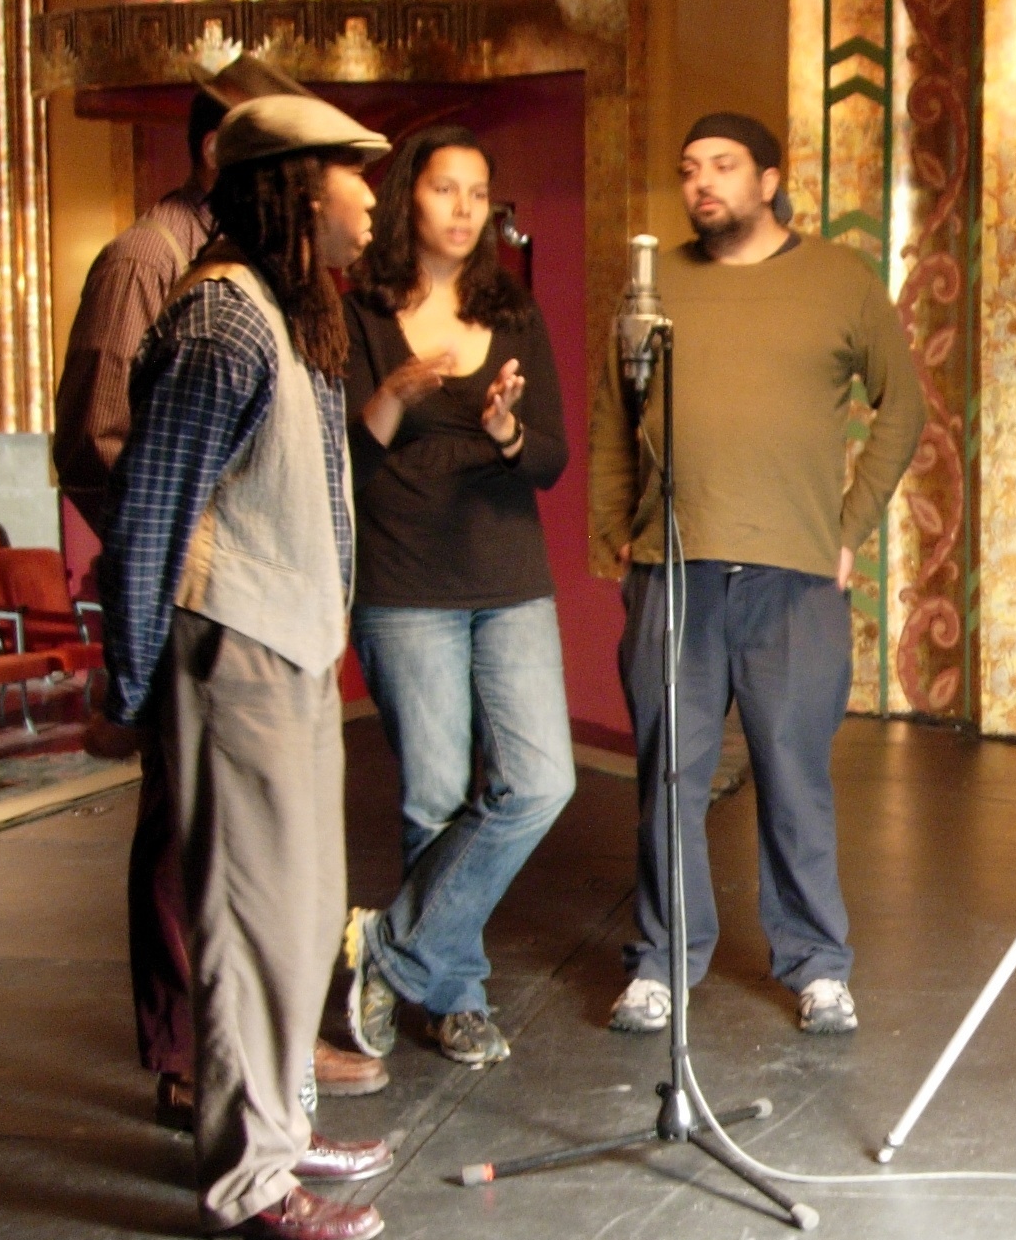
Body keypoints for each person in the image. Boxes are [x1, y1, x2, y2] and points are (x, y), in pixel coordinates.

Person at [54, 63, 389, 1129]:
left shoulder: (294, 313)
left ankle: (274, 1120)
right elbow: (143, 496)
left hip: (283, 640)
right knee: (235, 909)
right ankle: (246, 1147)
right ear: (294, 188)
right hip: (226, 638)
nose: (373, 195)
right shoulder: (215, 311)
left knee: (288, 910)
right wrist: (140, 671)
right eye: (351, 172)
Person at [587, 112, 923, 1037]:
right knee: (669, 778)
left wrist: (848, 528)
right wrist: (616, 534)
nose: (703, 184)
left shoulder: (838, 282)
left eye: (724, 167)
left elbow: (905, 408)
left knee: (793, 778)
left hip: (795, 580)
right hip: (673, 572)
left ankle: (817, 965)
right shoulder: (653, 291)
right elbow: (616, 416)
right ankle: (662, 962)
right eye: (691, 168)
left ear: (769, 180)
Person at [326, 126, 574, 1070]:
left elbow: (550, 457)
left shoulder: (513, 311)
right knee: (433, 798)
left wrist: (507, 429)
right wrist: (395, 387)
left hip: (509, 578)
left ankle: (383, 953)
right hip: (406, 581)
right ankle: (457, 994)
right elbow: (347, 451)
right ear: (408, 203)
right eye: (445, 189)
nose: (465, 208)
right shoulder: (358, 314)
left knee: (540, 779)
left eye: (479, 191)